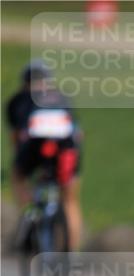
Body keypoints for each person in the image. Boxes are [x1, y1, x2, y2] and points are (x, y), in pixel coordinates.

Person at [5, 61, 83, 250]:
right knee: (70, 200)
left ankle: (29, 213)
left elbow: (17, 138)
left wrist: (20, 165)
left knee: (17, 176)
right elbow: (77, 134)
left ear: (25, 82)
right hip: (66, 148)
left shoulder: (18, 100)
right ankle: (72, 254)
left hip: (35, 146)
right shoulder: (63, 98)